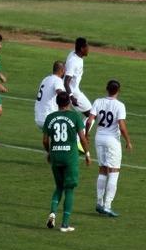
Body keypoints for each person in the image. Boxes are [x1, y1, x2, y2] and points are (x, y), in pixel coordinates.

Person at [43, 92, 91, 233]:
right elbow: (82, 138)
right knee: (69, 189)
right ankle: (64, 224)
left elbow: (45, 140)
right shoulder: (75, 116)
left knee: (58, 187)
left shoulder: (50, 117)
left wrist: (49, 152)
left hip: (56, 156)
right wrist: (87, 153)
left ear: (57, 103)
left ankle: (52, 213)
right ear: (68, 102)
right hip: (70, 157)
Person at [84, 80, 132, 218]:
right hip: (112, 141)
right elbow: (121, 126)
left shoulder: (98, 101)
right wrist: (128, 141)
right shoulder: (119, 105)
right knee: (114, 171)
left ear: (106, 89)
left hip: (99, 138)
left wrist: (86, 134)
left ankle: (99, 202)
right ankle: (107, 206)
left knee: (103, 169)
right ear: (119, 90)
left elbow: (89, 120)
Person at [64, 37, 91, 119]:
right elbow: (66, 82)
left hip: (71, 91)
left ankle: (79, 131)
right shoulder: (74, 61)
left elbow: (64, 67)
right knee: (91, 115)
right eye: (87, 47)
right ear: (82, 48)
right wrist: (72, 97)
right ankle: (83, 132)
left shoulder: (73, 54)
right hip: (73, 93)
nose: (88, 49)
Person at [35, 60, 66, 131]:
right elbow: (61, 94)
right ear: (62, 70)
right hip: (49, 118)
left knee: (48, 139)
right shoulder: (58, 80)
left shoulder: (46, 79)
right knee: (67, 130)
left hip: (38, 118)